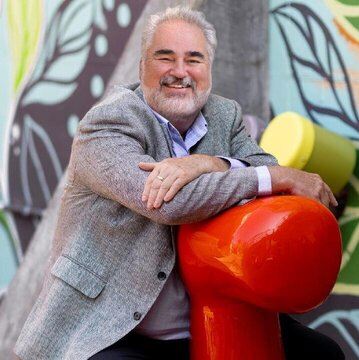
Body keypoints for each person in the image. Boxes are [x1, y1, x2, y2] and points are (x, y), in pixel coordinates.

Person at [14, 6, 344, 360]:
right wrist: (271, 175)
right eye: (165, 57)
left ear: (209, 70)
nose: (180, 72)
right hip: (111, 326)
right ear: (142, 66)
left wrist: (208, 162)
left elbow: (264, 171)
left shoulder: (224, 114)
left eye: (194, 59)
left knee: (324, 353)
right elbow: (169, 203)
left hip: (211, 321)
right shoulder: (107, 123)